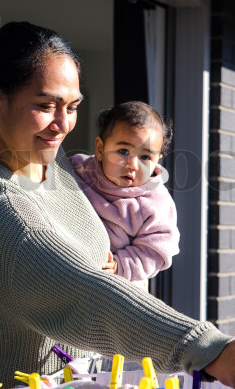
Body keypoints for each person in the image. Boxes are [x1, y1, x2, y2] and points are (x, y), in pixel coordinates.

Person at [0, 19, 235, 389]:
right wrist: (206, 348)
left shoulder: (48, 162)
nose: (62, 125)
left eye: (72, 107)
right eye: (46, 105)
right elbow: (86, 293)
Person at [70, 101, 179, 289]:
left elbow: (156, 249)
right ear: (100, 149)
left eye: (145, 157)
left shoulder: (155, 203)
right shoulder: (79, 169)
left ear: (157, 161)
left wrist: (120, 266)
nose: (133, 165)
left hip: (123, 286)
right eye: (123, 151)